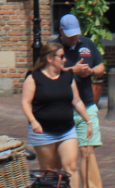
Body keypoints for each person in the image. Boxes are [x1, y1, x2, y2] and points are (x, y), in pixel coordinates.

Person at [21, 41, 93, 182]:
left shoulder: (68, 77)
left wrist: (88, 120)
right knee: (49, 172)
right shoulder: (34, 78)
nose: (65, 60)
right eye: (61, 57)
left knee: (71, 167)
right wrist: (33, 120)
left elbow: (76, 100)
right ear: (49, 59)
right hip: (43, 132)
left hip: (67, 129)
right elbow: (26, 102)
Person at [52, 14, 105, 188]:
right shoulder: (54, 48)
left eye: (76, 34)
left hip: (87, 103)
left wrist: (91, 71)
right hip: (63, 107)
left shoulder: (87, 44)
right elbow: (48, 74)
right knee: (67, 155)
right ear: (61, 31)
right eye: (70, 35)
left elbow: (101, 66)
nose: (74, 38)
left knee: (87, 151)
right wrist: (72, 71)